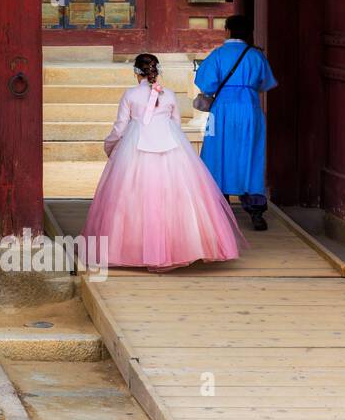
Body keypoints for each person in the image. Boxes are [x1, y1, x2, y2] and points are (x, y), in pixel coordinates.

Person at [83, 53, 241, 271]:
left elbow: (119, 129)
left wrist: (109, 147)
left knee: (131, 199)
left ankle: (134, 247)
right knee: (176, 197)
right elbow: (175, 124)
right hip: (171, 147)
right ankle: (181, 245)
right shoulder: (169, 95)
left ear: (137, 73)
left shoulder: (130, 94)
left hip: (136, 148)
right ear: (157, 71)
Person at [194, 15, 278, 231]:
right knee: (250, 155)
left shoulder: (218, 55)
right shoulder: (256, 56)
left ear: (227, 30)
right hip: (250, 109)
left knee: (216, 154)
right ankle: (256, 211)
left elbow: (206, 84)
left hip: (221, 111)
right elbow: (265, 83)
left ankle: (219, 206)